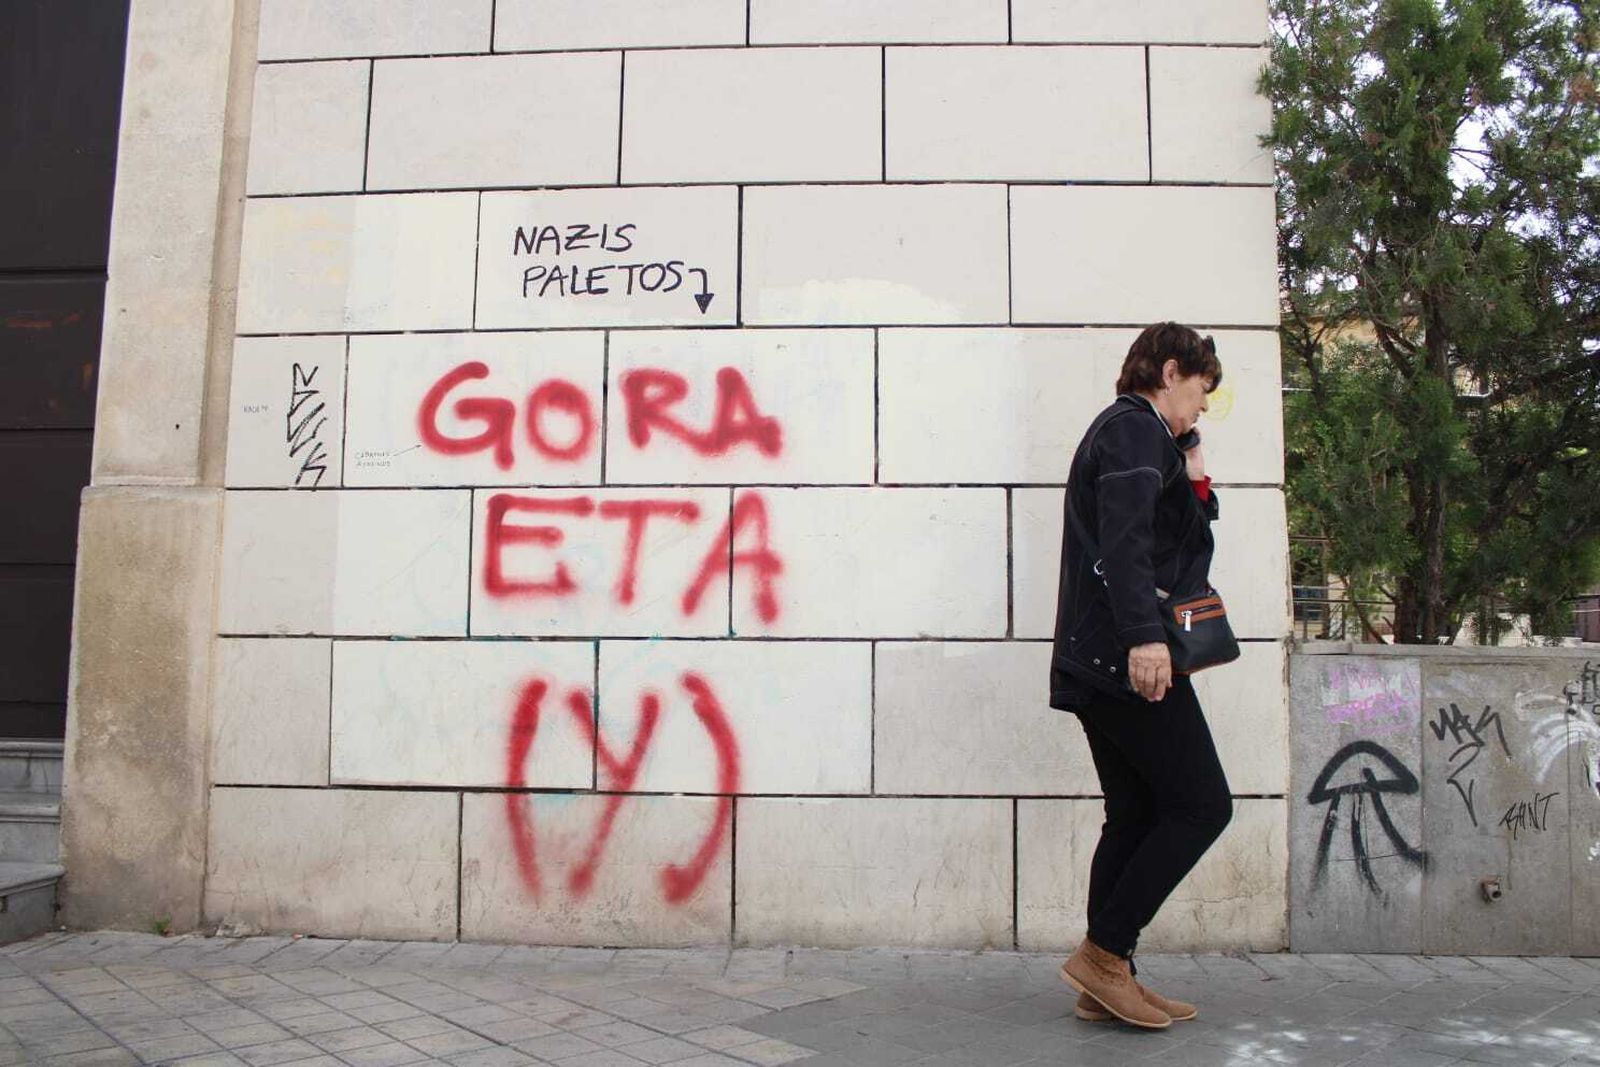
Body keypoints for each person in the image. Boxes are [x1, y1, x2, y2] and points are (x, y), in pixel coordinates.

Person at [1049, 322, 1234, 1030]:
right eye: (1200, 390)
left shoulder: (1147, 437)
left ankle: (1108, 973)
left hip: (1102, 658)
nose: (1204, 406)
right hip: (1126, 658)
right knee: (1201, 804)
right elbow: (1126, 543)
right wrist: (1144, 641)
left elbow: (1185, 526)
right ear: (1168, 370)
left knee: (1135, 812)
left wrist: (1191, 455)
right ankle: (1104, 953)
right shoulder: (1131, 432)